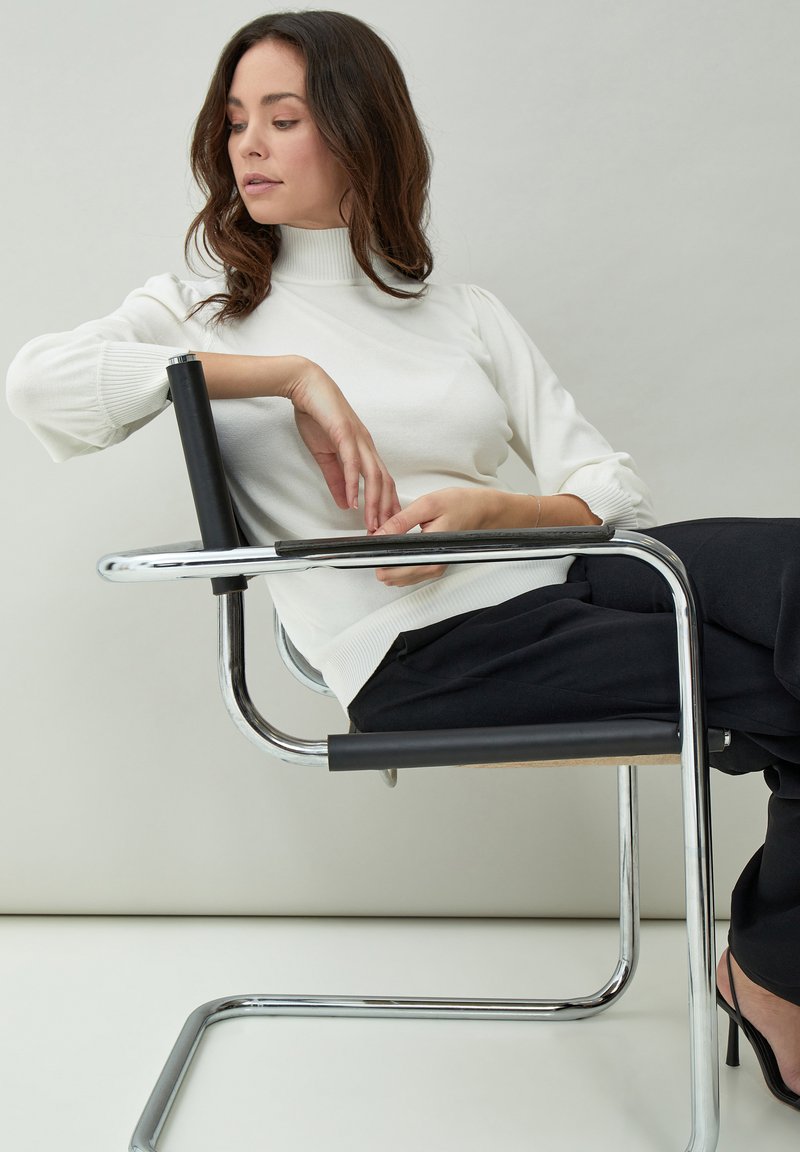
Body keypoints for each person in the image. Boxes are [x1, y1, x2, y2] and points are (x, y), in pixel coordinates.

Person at [6, 9, 800, 1111]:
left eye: (283, 118)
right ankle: (776, 976)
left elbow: (607, 483)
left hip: (571, 576)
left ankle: (770, 968)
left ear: (358, 130)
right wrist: (289, 374)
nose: (248, 144)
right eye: (234, 120)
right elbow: (39, 383)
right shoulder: (198, 312)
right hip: (424, 651)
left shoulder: (460, 313)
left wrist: (495, 509)